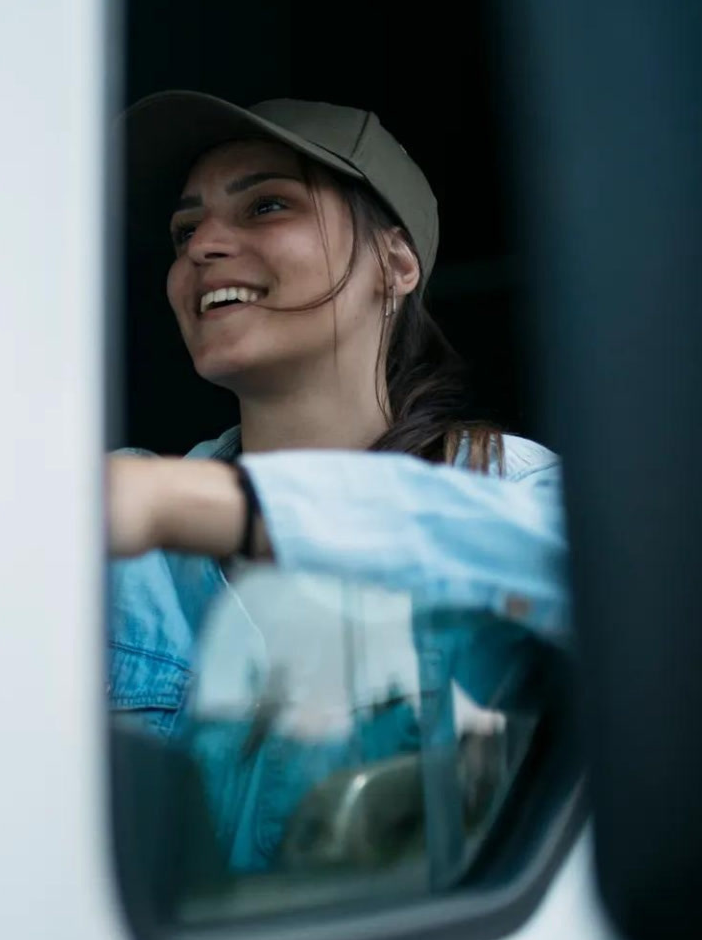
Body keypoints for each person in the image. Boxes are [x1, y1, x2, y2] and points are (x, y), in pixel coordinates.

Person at [104, 92, 568, 872]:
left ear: (396, 262)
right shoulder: (112, 522)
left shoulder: (514, 491)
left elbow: (644, 595)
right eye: (186, 230)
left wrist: (199, 507)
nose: (204, 247)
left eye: (267, 205)